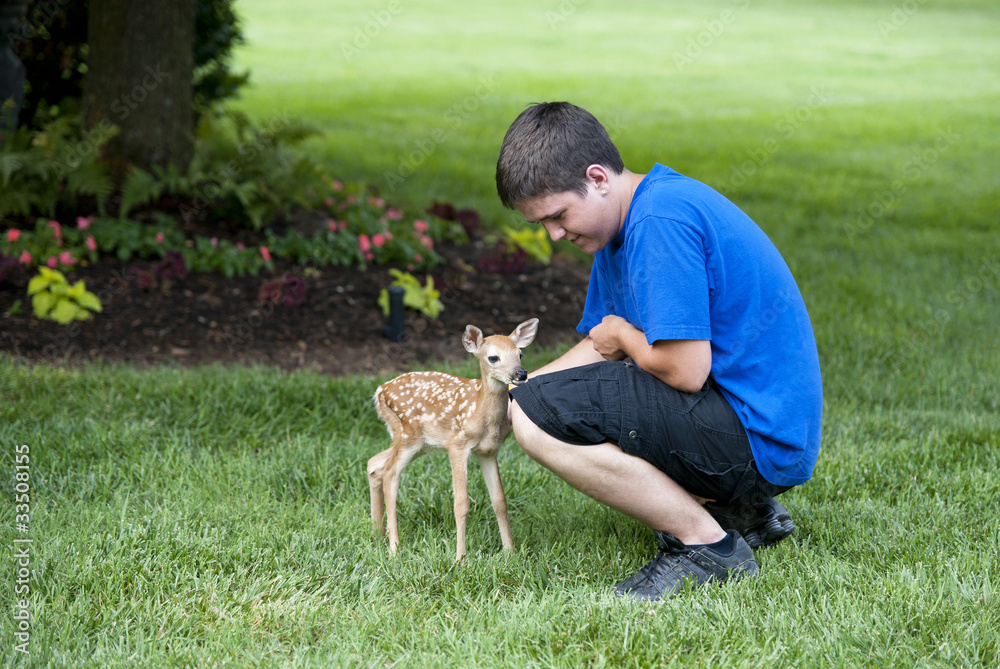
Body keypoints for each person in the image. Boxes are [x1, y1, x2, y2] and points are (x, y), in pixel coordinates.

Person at [496, 102, 823, 601]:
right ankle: (743, 511)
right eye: (543, 224)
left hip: (758, 438)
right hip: (764, 431)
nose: (555, 234)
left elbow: (684, 369)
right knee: (536, 408)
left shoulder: (658, 222)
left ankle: (707, 546)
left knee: (540, 420)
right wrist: (520, 392)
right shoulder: (624, 224)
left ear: (598, 178)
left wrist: (618, 345)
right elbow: (600, 344)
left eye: (558, 215)